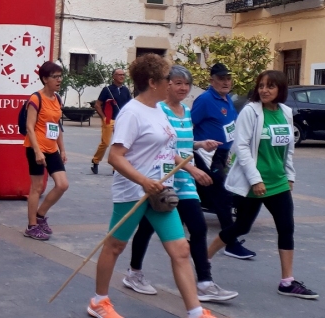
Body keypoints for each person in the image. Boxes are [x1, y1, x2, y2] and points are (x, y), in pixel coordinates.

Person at [87, 54, 214, 318]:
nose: (172, 83)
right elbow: (115, 157)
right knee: (115, 246)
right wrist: (143, 181)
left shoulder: (158, 110)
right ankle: (99, 302)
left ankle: (195, 312)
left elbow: (167, 149)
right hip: (133, 192)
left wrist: (187, 167)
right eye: (168, 78)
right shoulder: (132, 113)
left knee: (181, 250)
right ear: (153, 82)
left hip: (160, 194)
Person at [123, 65, 238, 302]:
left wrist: (200, 144)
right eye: (178, 83)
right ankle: (134, 273)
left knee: (198, 227)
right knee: (147, 227)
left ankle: (204, 282)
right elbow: (165, 148)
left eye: (186, 84)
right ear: (167, 85)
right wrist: (192, 168)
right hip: (164, 178)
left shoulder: (186, 111)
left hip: (185, 181)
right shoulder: (159, 110)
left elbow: (182, 143)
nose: (183, 88)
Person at [208, 70, 318, 300]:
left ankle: (287, 281)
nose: (265, 90)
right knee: (241, 227)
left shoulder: (285, 112)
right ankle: (203, 259)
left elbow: (288, 147)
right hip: (253, 183)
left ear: (280, 89)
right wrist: (255, 179)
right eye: (261, 86)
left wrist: (290, 175)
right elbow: (241, 147)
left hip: (278, 182)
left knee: (286, 228)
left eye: (270, 86)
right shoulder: (251, 111)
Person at [191, 63, 255, 260]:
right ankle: (230, 243)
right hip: (207, 155)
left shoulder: (228, 99)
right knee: (223, 196)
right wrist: (196, 146)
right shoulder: (205, 100)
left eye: (228, 78)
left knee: (230, 193)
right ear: (212, 81)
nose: (226, 82)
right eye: (221, 79)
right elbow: (188, 124)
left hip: (224, 155)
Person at [22, 62, 69, 241]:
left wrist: (62, 149)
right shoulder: (35, 99)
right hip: (35, 148)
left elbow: (56, 125)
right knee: (37, 187)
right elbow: (29, 127)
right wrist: (37, 151)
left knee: (62, 184)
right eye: (55, 77)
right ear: (45, 79)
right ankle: (31, 226)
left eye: (60, 76)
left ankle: (40, 215)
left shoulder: (57, 99)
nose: (59, 80)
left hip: (51, 148)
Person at [91, 68, 132, 174]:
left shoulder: (126, 90)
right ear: (113, 77)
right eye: (119, 74)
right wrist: (104, 117)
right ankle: (95, 160)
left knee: (119, 144)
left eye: (123, 74)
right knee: (105, 142)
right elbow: (97, 105)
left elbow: (130, 105)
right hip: (110, 119)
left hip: (121, 121)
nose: (122, 76)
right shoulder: (107, 90)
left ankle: (115, 167)